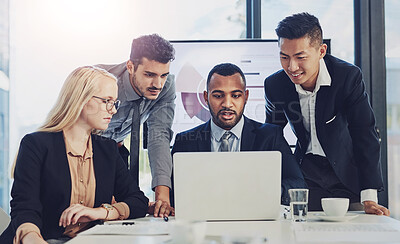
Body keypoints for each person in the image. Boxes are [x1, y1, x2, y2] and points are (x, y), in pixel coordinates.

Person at [0, 66, 149, 244]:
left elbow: (138, 201)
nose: (113, 110)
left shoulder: (108, 149)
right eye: (106, 101)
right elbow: (25, 209)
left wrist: (100, 211)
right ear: (82, 99)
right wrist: (33, 238)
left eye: (115, 102)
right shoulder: (36, 144)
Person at [264, 12, 390, 215]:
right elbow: (271, 135)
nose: (291, 67)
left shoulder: (347, 78)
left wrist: (369, 197)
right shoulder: (275, 85)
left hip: (347, 172)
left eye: (300, 57)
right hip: (306, 175)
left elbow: (364, 133)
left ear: (321, 51)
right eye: (284, 57)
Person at [171, 63, 306, 205]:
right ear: (206, 97)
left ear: (246, 96)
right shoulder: (185, 141)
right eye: (218, 96)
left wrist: (265, 191)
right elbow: (172, 194)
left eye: (235, 95)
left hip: (253, 221)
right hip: (202, 222)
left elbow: (297, 184)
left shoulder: (270, 136)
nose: (227, 104)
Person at [97, 34, 175, 218]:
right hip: (86, 152)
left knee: (131, 208)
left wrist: (162, 198)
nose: (158, 84)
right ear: (130, 67)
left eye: (163, 75)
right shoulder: (100, 81)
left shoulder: (166, 87)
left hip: (116, 151)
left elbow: (159, 136)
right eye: (149, 75)